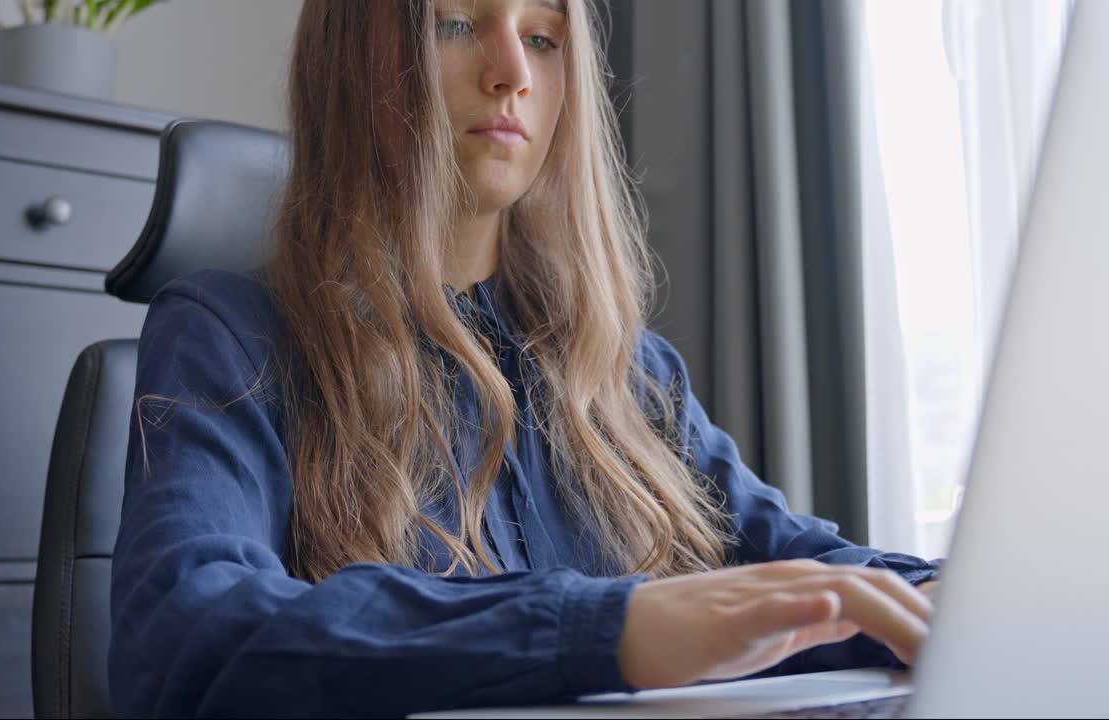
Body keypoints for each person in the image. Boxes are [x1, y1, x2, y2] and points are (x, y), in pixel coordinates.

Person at [108, 0, 942, 716]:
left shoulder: (628, 374)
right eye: (459, 23)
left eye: (543, 37)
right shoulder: (227, 335)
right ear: (353, 63)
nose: (512, 71)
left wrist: (952, 600)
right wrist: (615, 627)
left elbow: (811, 570)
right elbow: (187, 632)